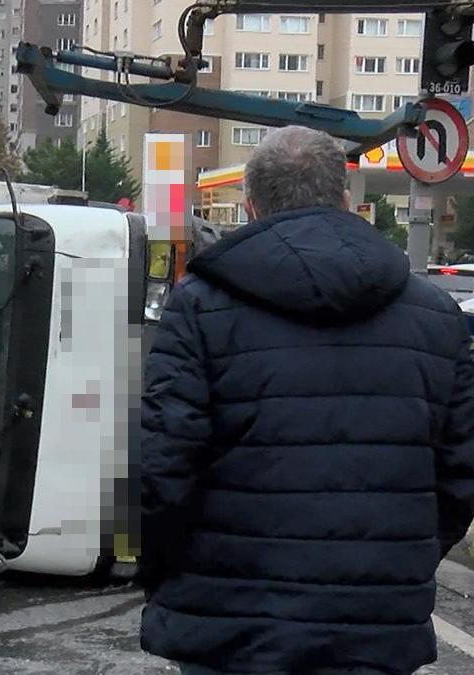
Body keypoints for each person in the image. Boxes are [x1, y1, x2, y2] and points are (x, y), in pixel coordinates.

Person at [139, 126, 474, 675]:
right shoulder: (436, 317)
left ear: (250, 207)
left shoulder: (200, 309)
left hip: (231, 623)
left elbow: (161, 468)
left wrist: (167, 571)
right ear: (347, 200)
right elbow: (460, 476)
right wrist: (398, 560)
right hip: (375, 625)